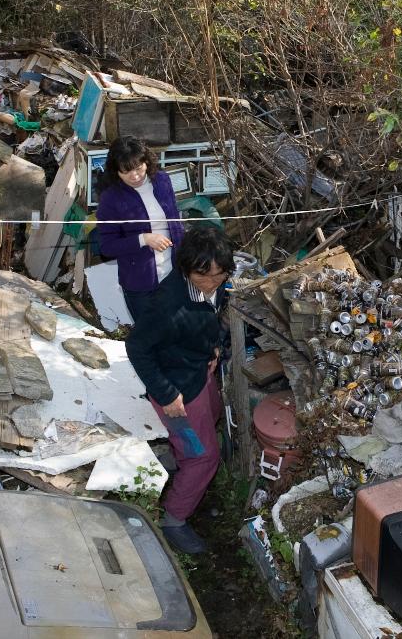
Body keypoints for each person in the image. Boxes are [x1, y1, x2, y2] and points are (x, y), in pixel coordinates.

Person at [125, 226, 234, 554]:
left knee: (212, 416)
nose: (214, 283)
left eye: (220, 275)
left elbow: (209, 317)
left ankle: (175, 457)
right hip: (178, 394)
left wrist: (213, 347)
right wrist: (166, 393)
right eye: (206, 277)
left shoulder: (211, 285)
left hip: (199, 374)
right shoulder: (166, 306)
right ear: (187, 269)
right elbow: (136, 347)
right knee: (203, 457)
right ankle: (174, 518)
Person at [95, 136, 185, 324]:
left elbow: (175, 221)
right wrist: (143, 239)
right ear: (116, 171)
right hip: (140, 283)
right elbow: (107, 247)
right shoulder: (110, 199)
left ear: (147, 162)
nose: (135, 176)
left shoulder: (162, 181)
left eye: (138, 168)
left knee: (177, 331)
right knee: (150, 337)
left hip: (173, 275)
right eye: (126, 171)